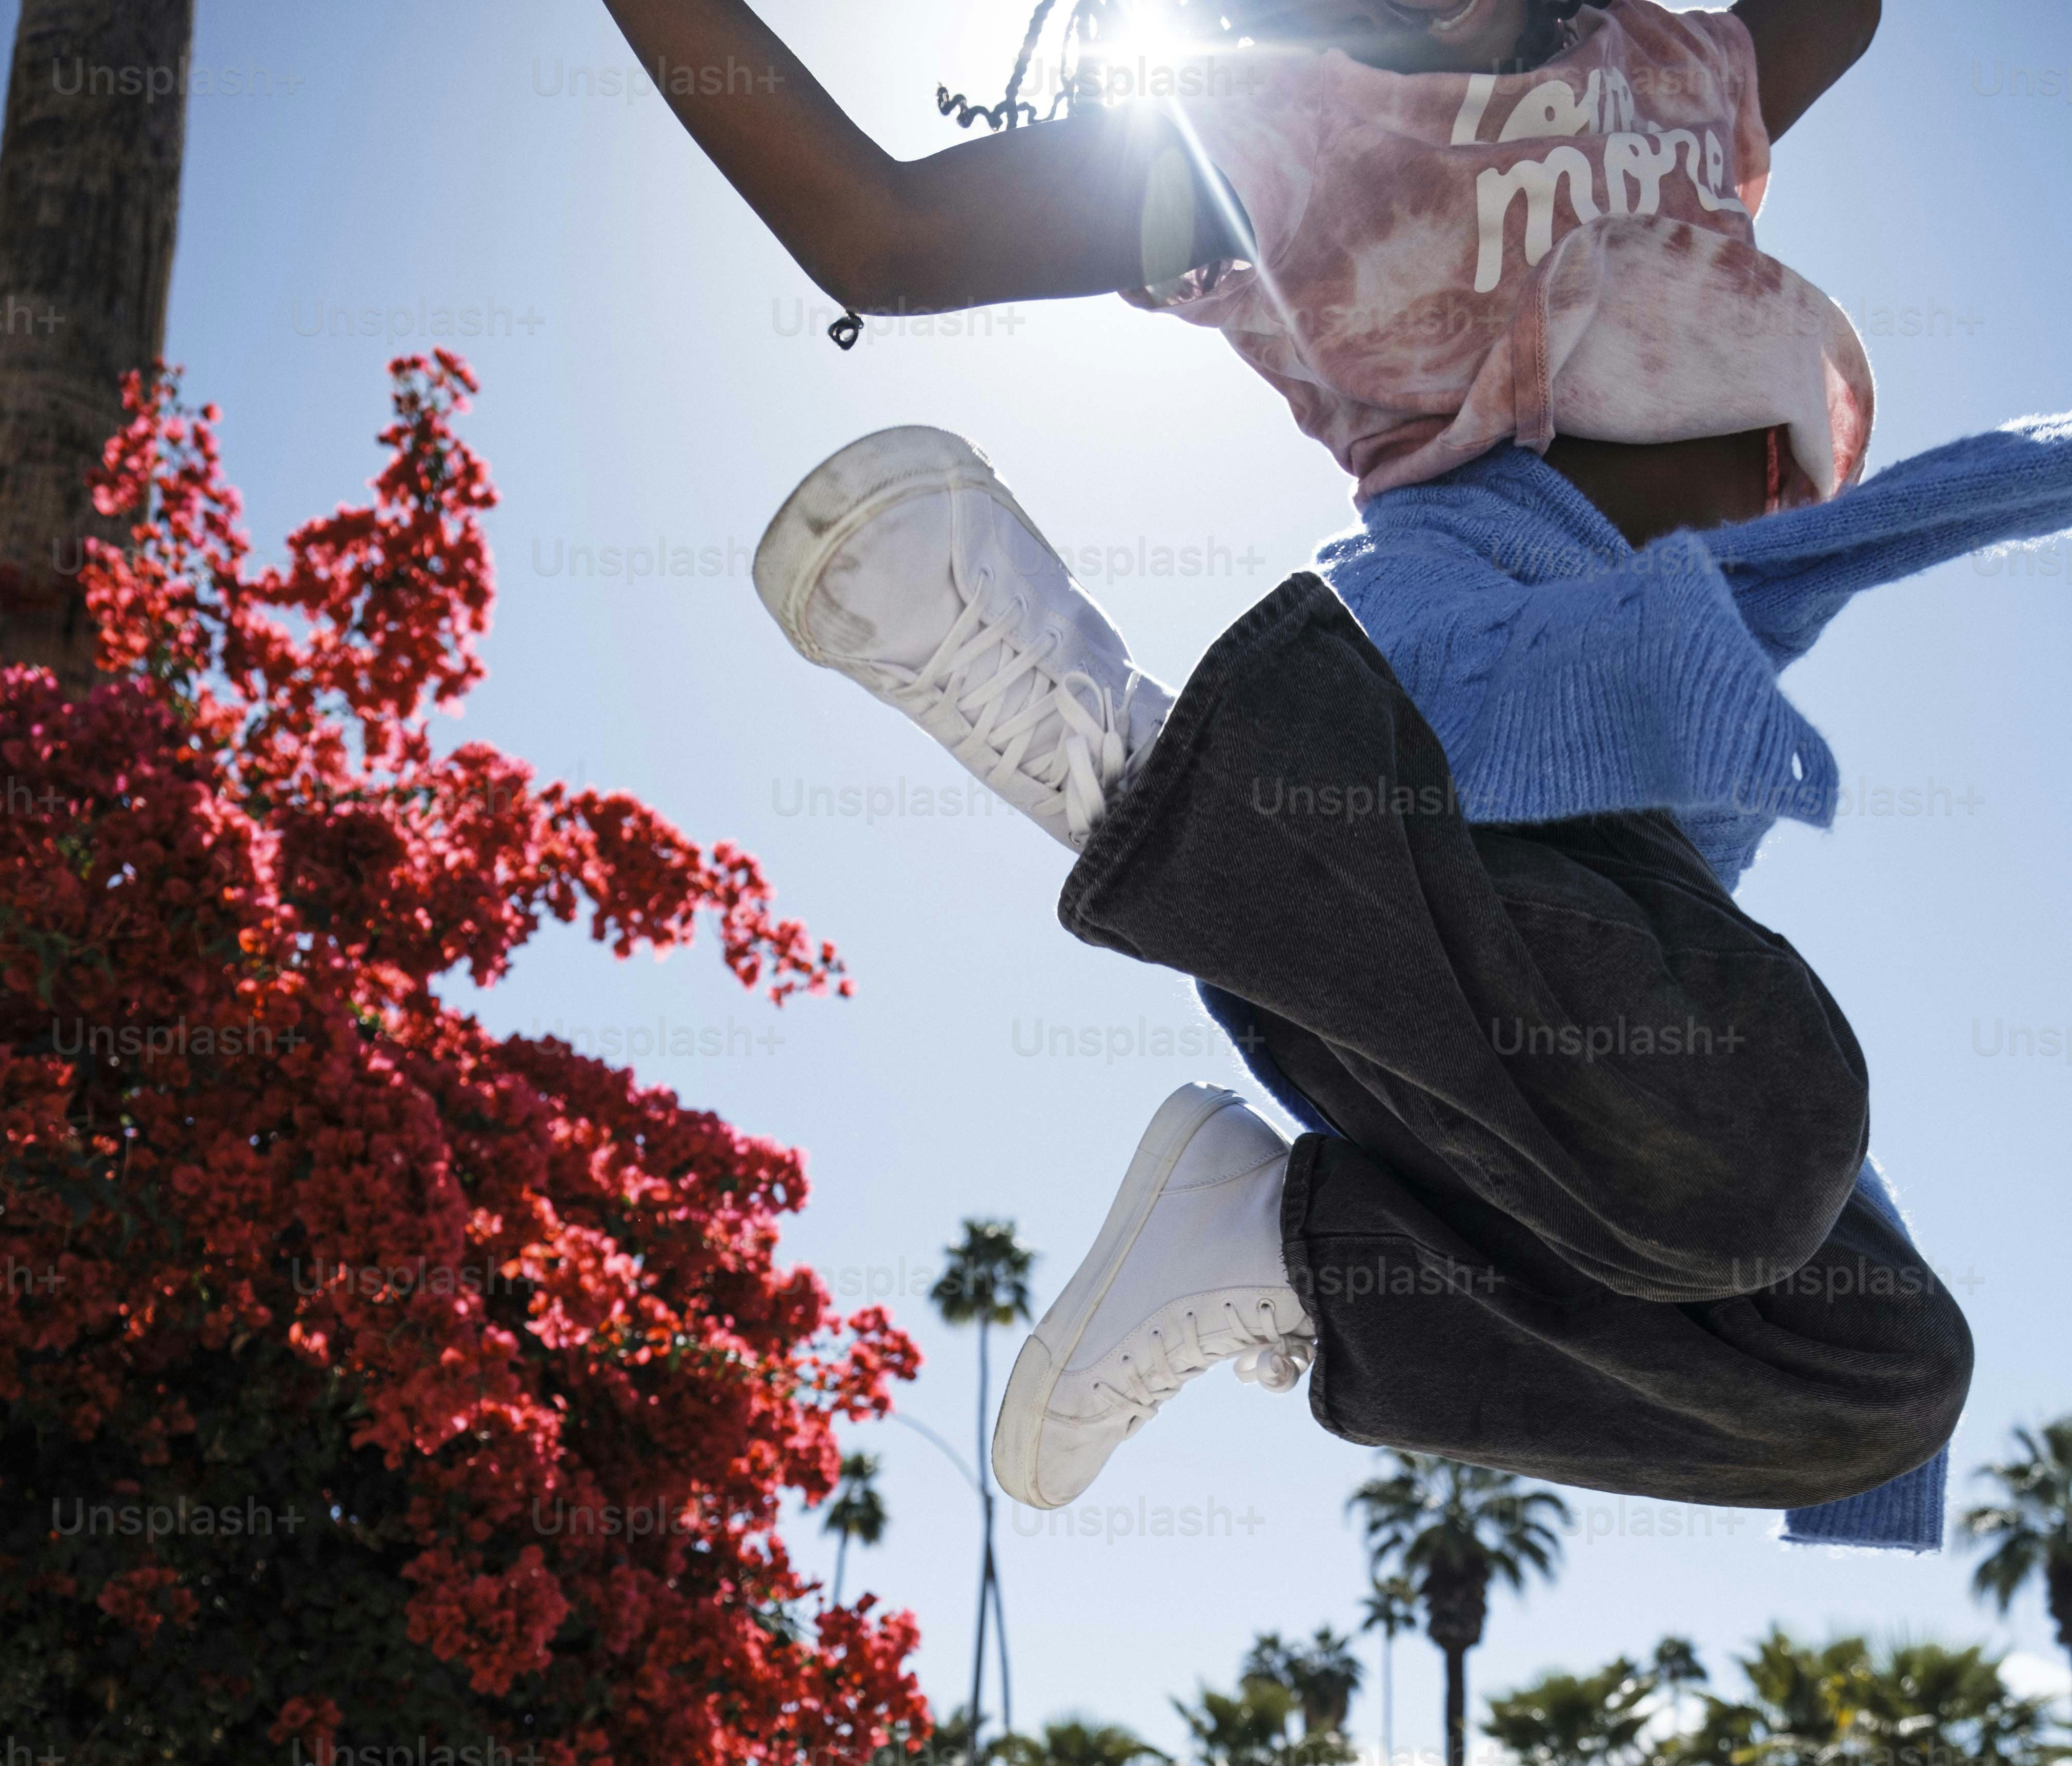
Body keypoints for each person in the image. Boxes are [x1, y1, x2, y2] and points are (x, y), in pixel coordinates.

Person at [597, 1, 2064, 1540]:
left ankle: (1283, 1245)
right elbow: (881, 230)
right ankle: (1134, 771)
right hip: (1466, 674)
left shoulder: (1678, 63)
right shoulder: (1265, 147)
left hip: (1629, 798)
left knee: (1876, 1372)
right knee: (1771, 1127)